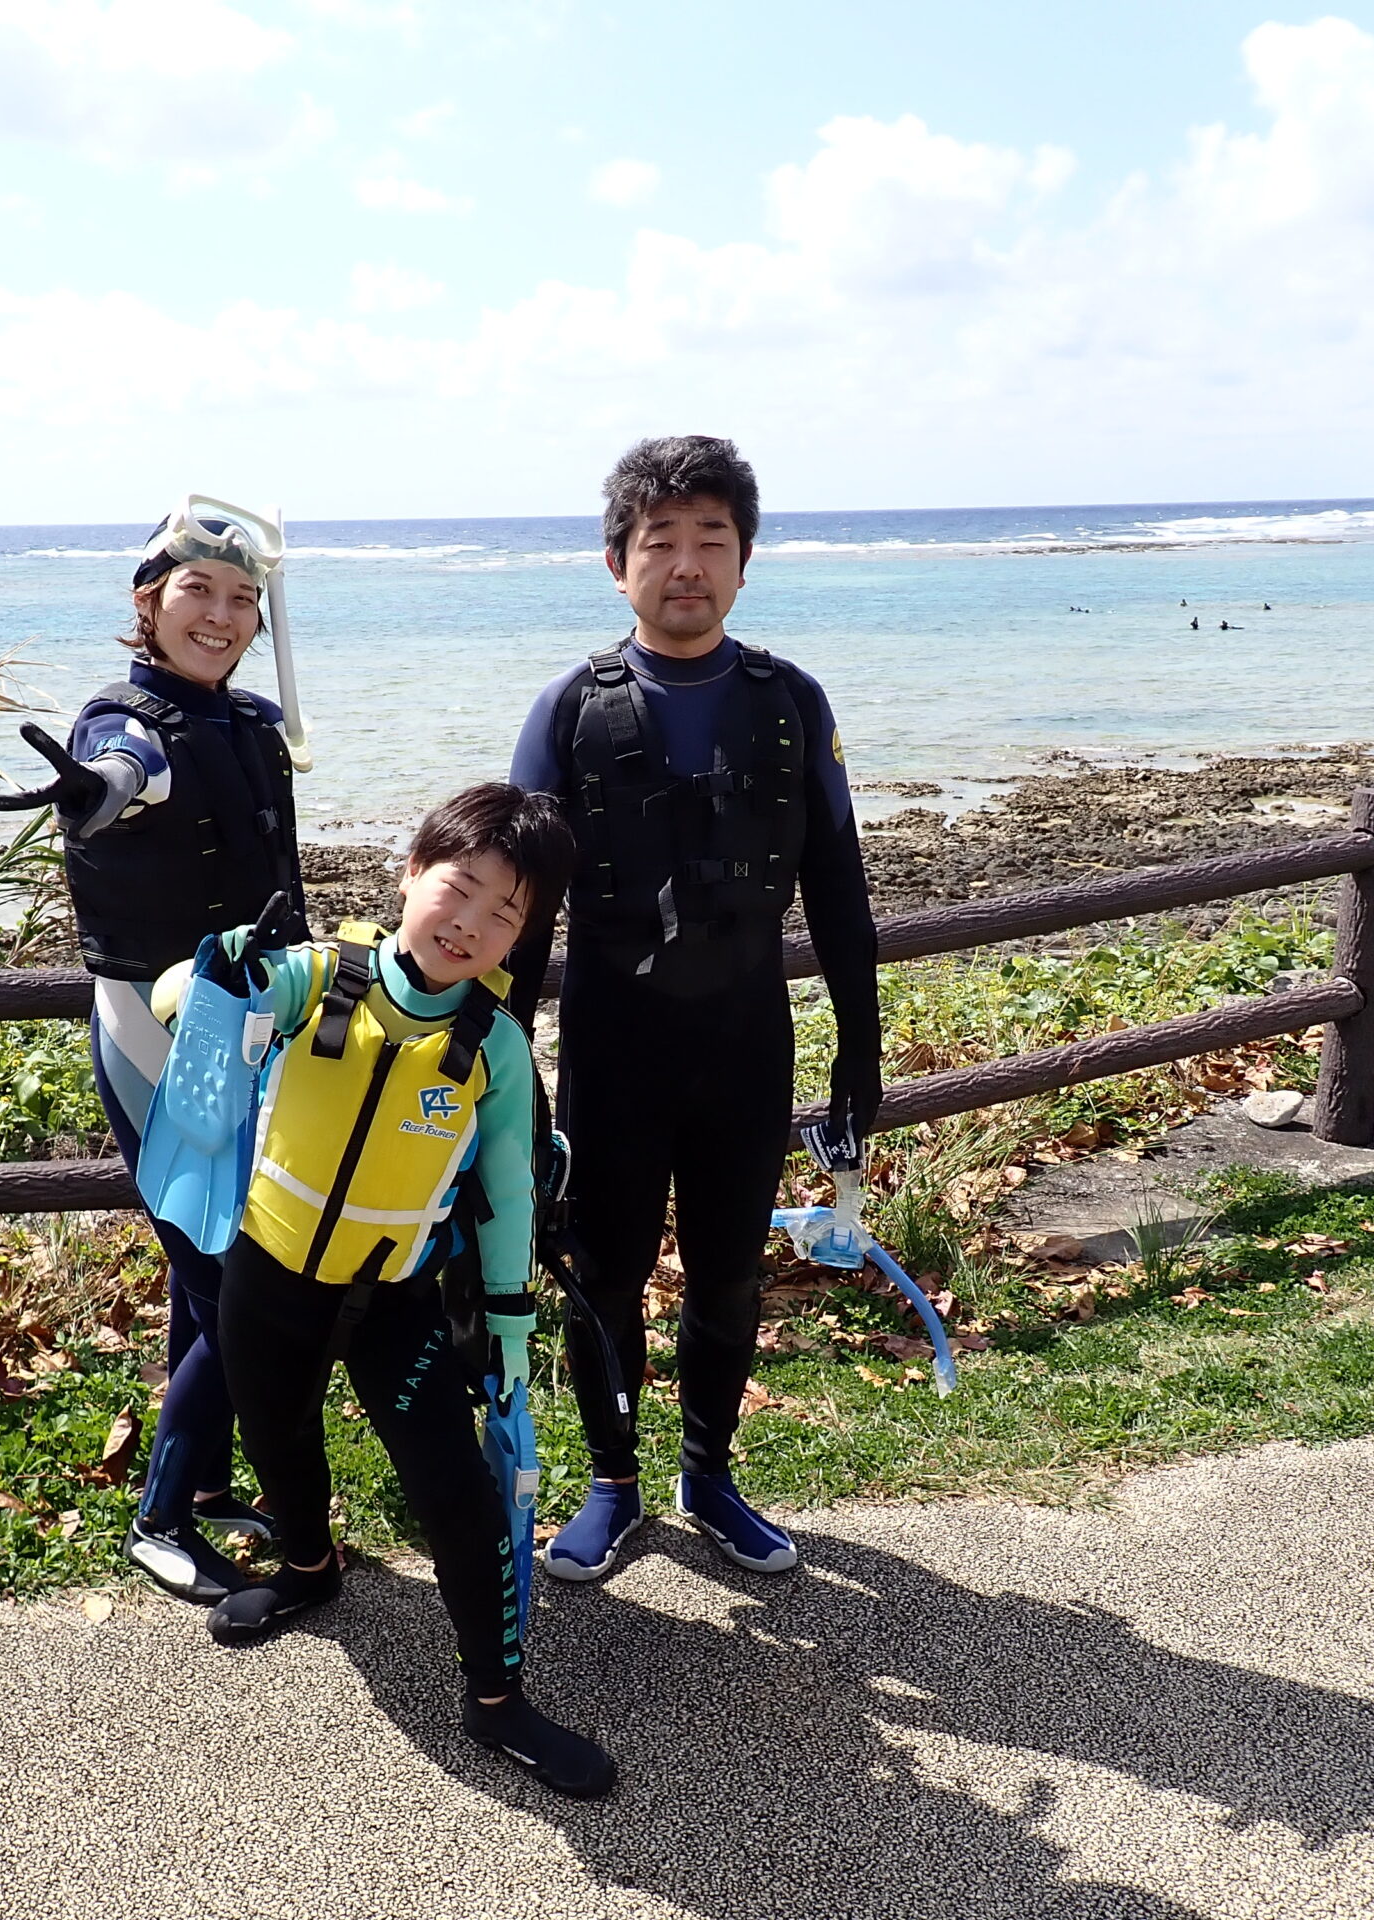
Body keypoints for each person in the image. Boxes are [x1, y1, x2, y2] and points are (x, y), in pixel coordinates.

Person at [159, 783, 617, 1799]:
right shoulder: (319, 979)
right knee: (277, 1439)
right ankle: (311, 1567)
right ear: (412, 876)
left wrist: (506, 1328)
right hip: (267, 1274)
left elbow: (504, 1194)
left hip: (396, 1300)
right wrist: (221, 970)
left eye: (509, 914)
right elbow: (175, 1003)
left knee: (454, 1496)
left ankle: (497, 1700)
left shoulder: (492, 1046)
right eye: (461, 890)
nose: (474, 924)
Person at [506, 434, 883, 1584]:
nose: (685, 564)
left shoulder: (786, 702)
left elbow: (838, 886)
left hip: (744, 1043)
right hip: (616, 1047)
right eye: (658, 542)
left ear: (745, 559)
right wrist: (501, 1065)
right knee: (601, 1270)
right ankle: (611, 1484)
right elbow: (514, 907)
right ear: (616, 563)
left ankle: (709, 1475)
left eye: (709, 540)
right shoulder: (570, 709)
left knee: (727, 1272)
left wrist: (858, 1056)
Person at [0, 498, 308, 1605]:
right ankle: (160, 1516)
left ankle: (210, 1482)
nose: (218, 616)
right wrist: (96, 793)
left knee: (201, 1266)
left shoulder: (250, 724)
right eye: (194, 593)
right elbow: (123, 769)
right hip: (155, 1031)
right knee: (234, 1276)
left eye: (239, 600)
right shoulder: (119, 719)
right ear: (147, 602)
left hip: (258, 1023)